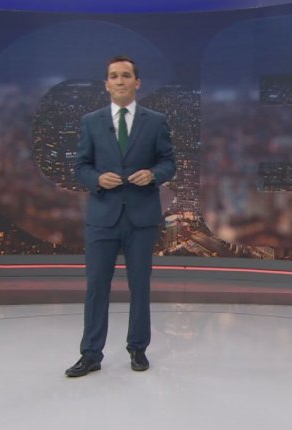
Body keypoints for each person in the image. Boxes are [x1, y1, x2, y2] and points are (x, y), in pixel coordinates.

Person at [65, 56, 176, 377]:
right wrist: (97, 179)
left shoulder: (155, 121)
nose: (119, 81)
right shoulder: (91, 121)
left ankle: (138, 349)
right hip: (103, 216)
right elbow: (81, 166)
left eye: (126, 75)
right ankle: (90, 354)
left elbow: (168, 163)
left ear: (137, 82)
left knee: (140, 286)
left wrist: (153, 175)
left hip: (141, 218)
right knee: (96, 286)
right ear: (106, 84)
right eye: (113, 76)